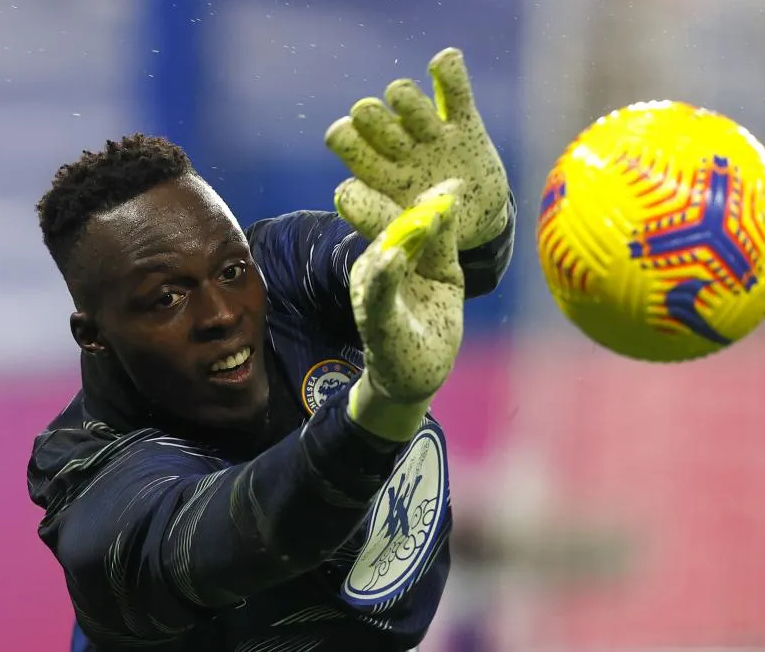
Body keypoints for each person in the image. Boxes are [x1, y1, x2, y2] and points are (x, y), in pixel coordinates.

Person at [27, 47, 516, 652]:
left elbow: (431, 273)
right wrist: (380, 411)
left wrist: (472, 227)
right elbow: (251, 535)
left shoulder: (285, 270)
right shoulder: (94, 489)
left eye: (231, 269)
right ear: (93, 335)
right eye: (166, 299)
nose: (223, 314)